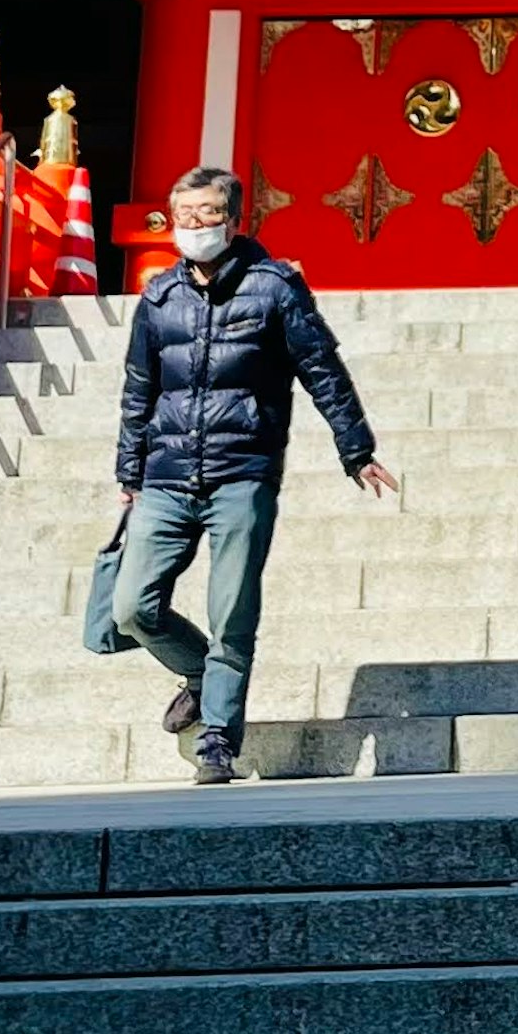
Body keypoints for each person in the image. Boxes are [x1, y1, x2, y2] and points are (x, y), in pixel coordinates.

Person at [113, 164, 394, 783]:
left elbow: (322, 368)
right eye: (183, 214)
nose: (193, 226)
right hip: (165, 474)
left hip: (242, 474)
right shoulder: (159, 297)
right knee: (132, 608)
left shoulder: (275, 288)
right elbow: (139, 390)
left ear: (234, 220)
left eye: (207, 214)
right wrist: (129, 471)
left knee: (232, 611)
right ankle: (197, 672)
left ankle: (218, 737)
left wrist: (356, 448)